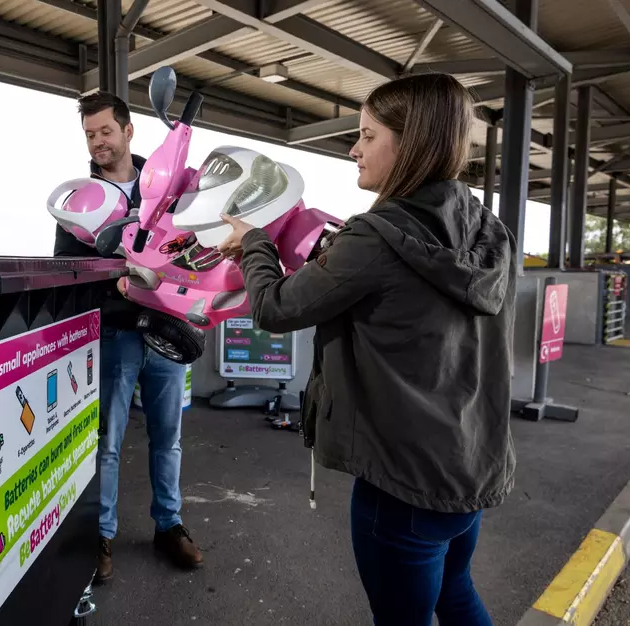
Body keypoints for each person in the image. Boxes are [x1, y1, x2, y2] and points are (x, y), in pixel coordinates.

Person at [216, 73, 516, 626]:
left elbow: (277, 308)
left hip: (402, 479)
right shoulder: (487, 230)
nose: (354, 149)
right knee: (455, 593)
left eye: (367, 135)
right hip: (467, 462)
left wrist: (253, 242)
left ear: (412, 142)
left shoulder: (375, 237)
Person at [53, 91, 203, 584]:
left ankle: (170, 525)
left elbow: (193, 246)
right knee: (107, 442)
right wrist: (124, 296)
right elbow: (67, 274)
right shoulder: (80, 200)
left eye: (105, 131)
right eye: (90, 134)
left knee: (169, 437)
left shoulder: (170, 184)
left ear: (127, 131)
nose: (97, 142)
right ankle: (101, 534)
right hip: (118, 334)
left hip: (170, 331)